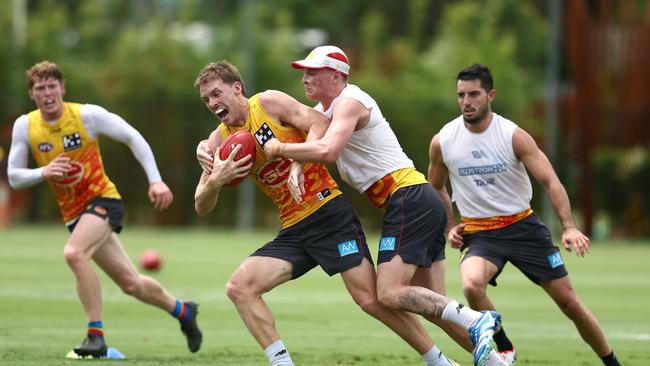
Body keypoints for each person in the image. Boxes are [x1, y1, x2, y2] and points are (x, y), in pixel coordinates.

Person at [193, 60, 495, 366]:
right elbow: (201, 205)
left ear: (237, 88)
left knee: (373, 300)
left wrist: (296, 163)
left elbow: (318, 125)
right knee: (239, 288)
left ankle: (442, 360)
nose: (212, 103)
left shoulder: (268, 103)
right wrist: (215, 179)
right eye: (206, 100)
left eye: (216, 94)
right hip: (294, 229)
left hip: (329, 215)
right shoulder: (217, 142)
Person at [427, 63, 621, 366]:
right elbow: (436, 186)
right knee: (470, 285)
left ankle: (612, 362)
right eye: (461, 95)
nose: (466, 101)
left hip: (524, 228)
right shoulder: (444, 141)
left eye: (474, 94)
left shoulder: (513, 135)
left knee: (569, 303)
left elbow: (550, 181)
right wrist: (451, 225)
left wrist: (569, 227)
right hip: (480, 234)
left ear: (490, 95)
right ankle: (504, 345)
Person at [6, 61, 202, 357]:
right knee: (130, 283)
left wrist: (156, 180)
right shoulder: (26, 126)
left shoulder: (86, 116)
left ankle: (95, 335)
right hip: (74, 214)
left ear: (62, 87)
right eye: (39, 88)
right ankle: (184, 311)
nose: (46, 93)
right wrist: (43, 172)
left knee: (74, 253)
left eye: (51, 86)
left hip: (103, 201)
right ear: (31, 94)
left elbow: (132, 136)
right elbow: (13, 176)